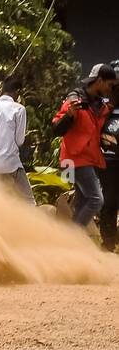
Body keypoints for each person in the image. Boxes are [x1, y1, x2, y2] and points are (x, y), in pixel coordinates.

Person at [52, 63, 117, 230]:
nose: (111, 89)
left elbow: (107, 108)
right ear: (100, 81)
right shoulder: (74, 101)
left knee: (82, 201)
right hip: (74, 160)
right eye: (110, 85)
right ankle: (73, 238)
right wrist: (69, 115)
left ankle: (68, 241)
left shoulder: (99, 104)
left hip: (88, 160)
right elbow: (57, 130)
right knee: (96, 199)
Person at [100, 91, 119, 250]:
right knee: (110, 201)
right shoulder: (104, 106)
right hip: (110, 159)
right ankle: (108, 242)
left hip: (110, 158)